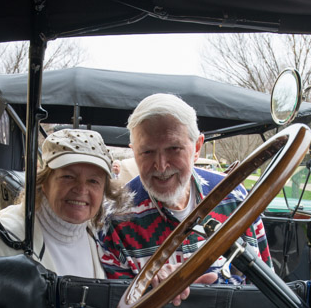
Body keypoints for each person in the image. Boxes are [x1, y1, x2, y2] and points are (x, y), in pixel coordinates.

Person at [100, 93, 272, 294]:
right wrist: (149, 288)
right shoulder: (115, 219)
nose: (161, 166)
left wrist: (218, 286)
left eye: (174, 149)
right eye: (147, 152)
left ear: (197, 147)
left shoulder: (235, 198)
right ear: (133, 151)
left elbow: (263, 287)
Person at [0, 129, 131, 277]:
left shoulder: (100, 238)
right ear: (44, 181)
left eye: (93, 181)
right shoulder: (3, 237)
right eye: (68, 177)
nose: (82, 189)